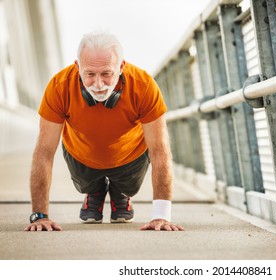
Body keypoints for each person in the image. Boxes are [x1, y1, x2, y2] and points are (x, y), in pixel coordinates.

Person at [24, 31, 184, 232]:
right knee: (87, 184)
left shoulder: (144, 86)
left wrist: (161, 216)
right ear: (77, 67)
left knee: (128, 186)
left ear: (121, 67)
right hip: (81, 155)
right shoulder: (59, 87)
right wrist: (39, 216)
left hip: (130, 156)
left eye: (106, 73)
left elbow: (160, 150)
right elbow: (44, 152)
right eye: (89, 74)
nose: (98, 85)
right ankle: (94, 192)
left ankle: (121, 193)